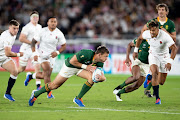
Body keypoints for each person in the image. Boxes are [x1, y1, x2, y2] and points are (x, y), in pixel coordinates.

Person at [28, 46, 109, 107]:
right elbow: (72, 61)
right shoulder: (87, 53)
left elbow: (100, 74)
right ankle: (35, 94)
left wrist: (102, 78)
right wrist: (86, 67)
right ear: (99, 54)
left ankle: (78, 98)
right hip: (69, 67)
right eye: (105, 56)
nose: (106, 58)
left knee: (92, 79)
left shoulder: (100, 62)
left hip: (79, 69)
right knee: (54, 86)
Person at [133, 20, 178, 104]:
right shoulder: (147, 33)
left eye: (153, 30)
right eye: (150, 30)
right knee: (155, 73)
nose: (152, 32)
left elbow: (174, 48)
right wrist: (135, 51)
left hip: (164, 57)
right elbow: (139, 39)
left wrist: (170, 61)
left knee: (161, 82)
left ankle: (150, 78)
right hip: (153, 54)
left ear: (158, 29)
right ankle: (157, 98)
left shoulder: (165, 36)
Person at [24, 16, 66, 99]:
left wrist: (57, 52)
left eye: (55, 22)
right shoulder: (42, 31)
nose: (53, 23)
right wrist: (35, 53)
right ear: (48, 23)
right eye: (51, 21)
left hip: (52, 56)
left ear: (56, 23)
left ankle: (31, 76)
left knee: (46, 75)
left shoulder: (59, 33)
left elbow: (64, 45)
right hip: (42, 55)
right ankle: (49, 93)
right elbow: (33, 42)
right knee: (47, 73)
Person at [141, 3, 176, 97]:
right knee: (155, 71)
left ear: (166, 12)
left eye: (163, 10)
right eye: (159, 9)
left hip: (164, 51)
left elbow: (174, 38)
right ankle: (150, 90)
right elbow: (143, 31)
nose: (161, 11)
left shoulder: (170, 23)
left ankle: (149, 85)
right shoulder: (152, 21)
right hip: (153, 50)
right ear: (157, 11)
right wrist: (148, 41)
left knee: (161, 81)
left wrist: (166, 33)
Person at [17, 11, 42, 90]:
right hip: (25, 49)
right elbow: (21, 38)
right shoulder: (27, 27)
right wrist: (32, 43)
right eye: (33, 17)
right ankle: (25, 75)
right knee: (21, 69)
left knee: (38, 66)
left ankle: (38, 86)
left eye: (36, 17)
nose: (35, 18)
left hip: (34, 50)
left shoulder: (39, 27)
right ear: (30, 18)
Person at [0, 20, 23, 101]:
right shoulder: (7, 37)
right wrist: (19, 54)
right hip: (4, 55)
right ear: (9, 27)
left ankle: (7, 93)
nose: (16, 30)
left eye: (17, 28)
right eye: (14, 28)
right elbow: (8, 53)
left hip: (3, 58)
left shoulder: (13, 35)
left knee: (14, 72)